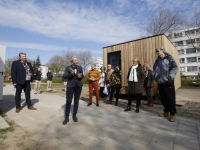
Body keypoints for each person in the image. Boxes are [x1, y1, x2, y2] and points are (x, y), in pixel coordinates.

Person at [153, 47, 178, 122]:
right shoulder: (157, 61)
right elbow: (154, 70)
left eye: (158, 51)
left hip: (168, 82)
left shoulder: (169, 58)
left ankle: (172, 114)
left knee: (170, 98)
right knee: (163, 98)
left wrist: (170, 77)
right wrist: (156, 78)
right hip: (160, 82)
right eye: (156, 51)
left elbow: (175, 68)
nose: (157, 52)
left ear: (162, 50)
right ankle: (166, 112)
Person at [62, 56, 84, 125]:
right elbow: (65, 76)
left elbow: (82, 75)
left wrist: (81, 76)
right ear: (72, 61)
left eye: (77, 60)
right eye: (75, 60)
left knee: (76, 101)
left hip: (78, 86)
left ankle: (74, 115)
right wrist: (71, 74)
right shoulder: (68, 68)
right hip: (70, 86)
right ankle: (67, 117)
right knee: (68, 101)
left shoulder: (80, 67)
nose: (77, 61)